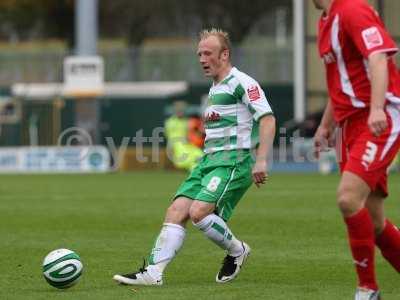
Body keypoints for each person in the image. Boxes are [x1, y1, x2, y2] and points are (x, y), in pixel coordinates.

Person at [113, 28, 276, 285]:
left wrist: (262, 159)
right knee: (176, 210)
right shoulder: (214, 90)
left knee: (198, 213)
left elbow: (267, 119)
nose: (201, 59)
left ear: (224, 54)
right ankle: (154, 273)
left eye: (207, 53)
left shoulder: (242, 82)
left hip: (233, 160)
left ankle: (237, 250)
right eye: (199, 53)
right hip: (208, 161)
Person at [312, 1, 400, 299]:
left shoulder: (351, 9)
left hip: (378, 117)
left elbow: (378, 56)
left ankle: (368, 290)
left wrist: (377, 108)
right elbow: (340, 82)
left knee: (348, 198)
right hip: (350, 124)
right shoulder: (325, 21)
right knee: (374, 223)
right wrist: (326, 126)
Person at [164, 100, 203, 171]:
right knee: (191, 161)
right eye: (178, 109)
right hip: (178, 148)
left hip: (188, 146)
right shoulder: (170, 122)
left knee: (200, 157)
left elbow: (191, 136)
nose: (180, 111)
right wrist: (170, 148)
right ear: (174, 110)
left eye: (182, 109)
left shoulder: (188, 122)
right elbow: (169, 138)